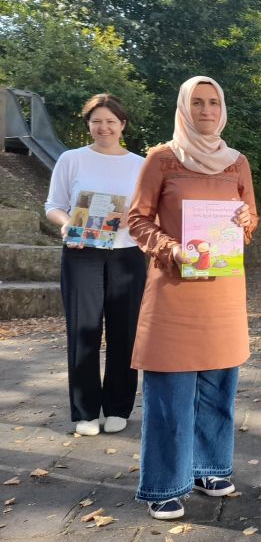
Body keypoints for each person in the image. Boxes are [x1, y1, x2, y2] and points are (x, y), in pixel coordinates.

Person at [127, 76, 257, 520]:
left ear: (223, 109)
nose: (206, 110)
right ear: (185, 107)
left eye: (214, 102)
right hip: (174, 290)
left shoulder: (237, 163)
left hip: (222, 290)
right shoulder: (161, 159)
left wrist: (245, 218)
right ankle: (164, 483)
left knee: (220, 387)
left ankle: (210, 467)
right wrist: (172, 249)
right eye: (198, 102)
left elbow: (250, 218)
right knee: (170, 392)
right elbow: (138, 220)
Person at [44, 94, 146, 437]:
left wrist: (128, 221)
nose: (103, 128)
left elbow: (148, 213)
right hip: (81, 252)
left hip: (127, 255)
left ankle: (117, 406)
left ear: (122, 125)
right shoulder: (71, 160)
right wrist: (64, 223)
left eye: (110, 121)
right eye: (96, 121)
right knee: (83, 332)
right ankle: (86, 412)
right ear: (88, 124)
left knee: (125, 332)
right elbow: (54, 205)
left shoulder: (140, 164)